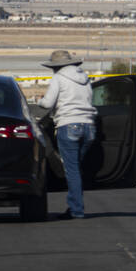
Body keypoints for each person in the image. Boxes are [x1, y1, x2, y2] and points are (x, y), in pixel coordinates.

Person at [38, 49, 99, 218]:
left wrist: (40, 101)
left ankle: (76, 210)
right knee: (76, 168)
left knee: (71, 170)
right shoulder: (85, 78)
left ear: (56, 66)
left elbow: (48, 103)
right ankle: (74, 205)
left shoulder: (59, 78)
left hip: (68, 125)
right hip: (89, 126)